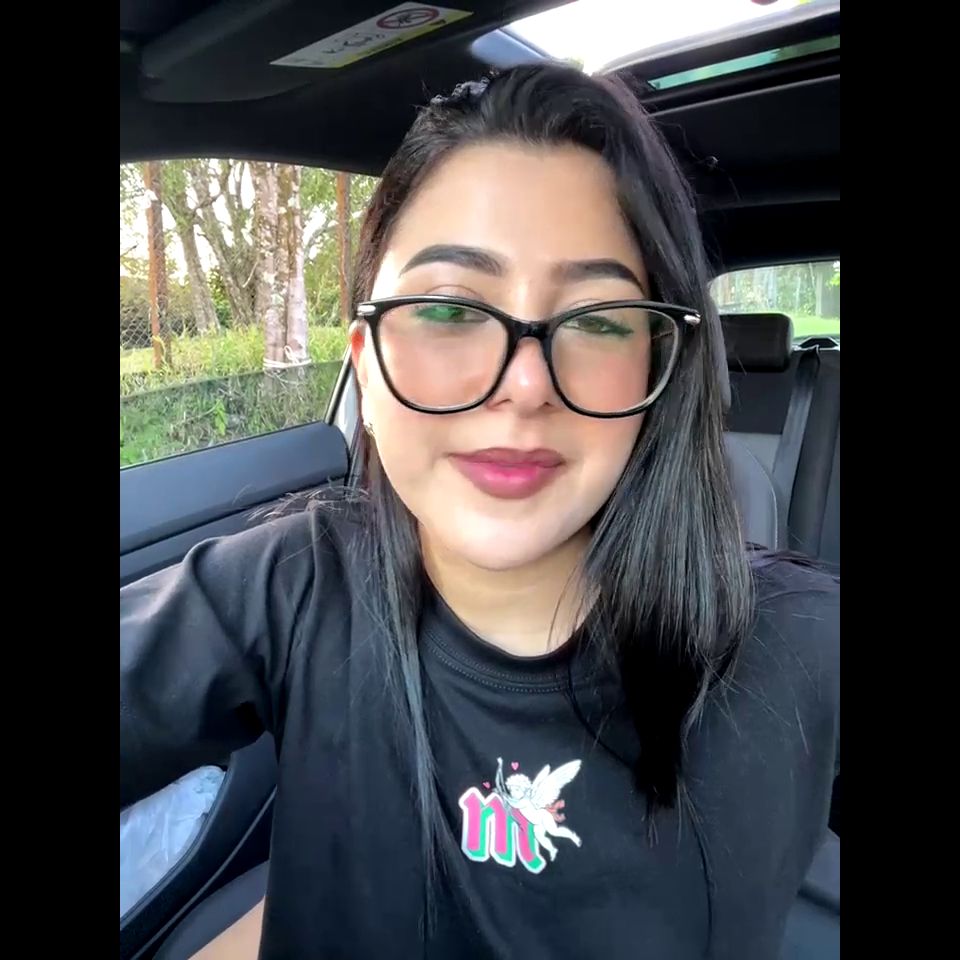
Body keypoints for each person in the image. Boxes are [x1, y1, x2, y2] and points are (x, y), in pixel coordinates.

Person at [120, 64, 839, 960]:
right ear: (367, 363)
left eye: (597, 318)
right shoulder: (294, 584)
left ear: (659, 368)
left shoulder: (803, 645)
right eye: (451, 308)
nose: (526, 385)